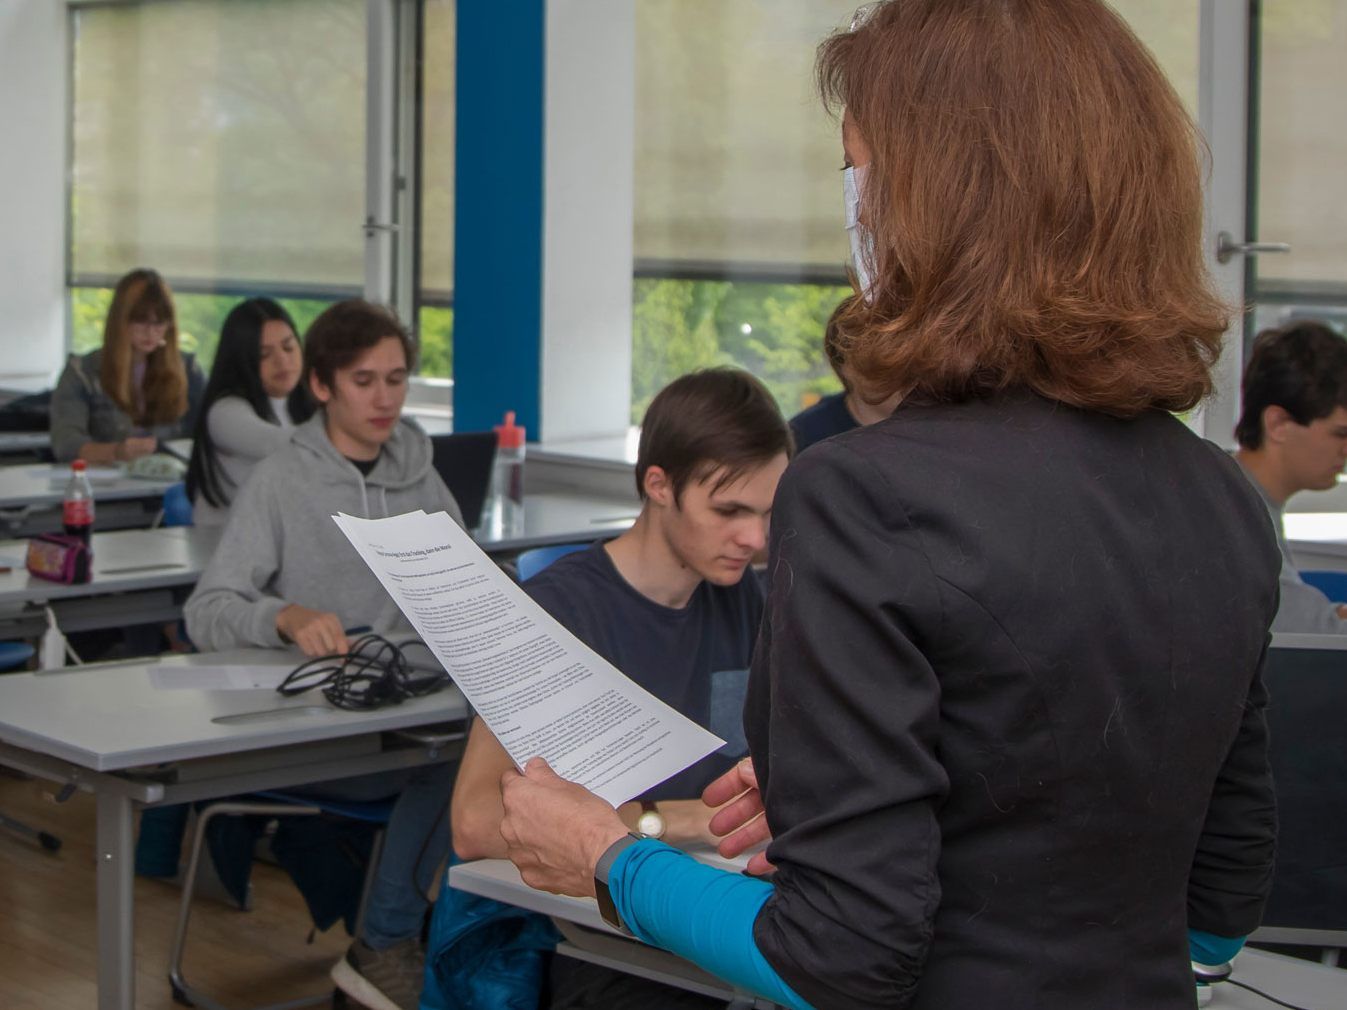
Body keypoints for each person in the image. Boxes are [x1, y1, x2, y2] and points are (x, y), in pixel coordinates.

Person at [492, 3, 1280, 1009]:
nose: (854, 207)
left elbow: (838, 959)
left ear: (938, 195)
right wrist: (867, 801)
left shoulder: (864, 494)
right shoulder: (1224, 502)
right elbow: (1216, 908)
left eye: (856, 168)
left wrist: (607, 856)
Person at [441, 368, 791, 1008]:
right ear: (657, 484)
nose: (756, 539)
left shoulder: (754, 600)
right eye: (729, 511)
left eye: (769, 514)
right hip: (605, 930)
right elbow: (475, 823)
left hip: (720, 900)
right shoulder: (554, 613)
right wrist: (677, 822)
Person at [184, 299, 462, 1010]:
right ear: (321, 387)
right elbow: (205, 611)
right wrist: (284, 615)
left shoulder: (419, 475)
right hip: (317, 729)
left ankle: (432, 938)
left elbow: (462, 583)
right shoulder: (282, 478)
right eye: (363, 380)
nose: (384, 399)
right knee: (458, 764)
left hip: (407, 706)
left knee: (493, 749)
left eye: (396, 379)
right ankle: (388, 940)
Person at [1234, 320, 1347, 633]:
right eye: (1340, 434)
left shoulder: (1249, 498)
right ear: (1278, 423)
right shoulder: (1236, 513)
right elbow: (1301, 630)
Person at [50, 268, 205, 463]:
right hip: (104, 483)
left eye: (159, 323)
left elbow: (208, 434)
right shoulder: (82, 372)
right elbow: (66, 444)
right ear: (120, 321)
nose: (150, 332)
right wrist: (116, 452)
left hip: (170, 481)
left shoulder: (188, 370)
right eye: (141, 322)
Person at [186, 297, 315, 526]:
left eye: (288, 347)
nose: (283, 361)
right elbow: (277, 443)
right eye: (264, 354)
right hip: (223, 548)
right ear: (241, 360)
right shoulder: (224, 412)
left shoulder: (308, 404)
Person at [789, 295, 901, 451]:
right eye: (876, 359)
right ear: (843, 365)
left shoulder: (934, 426)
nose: (898, 368)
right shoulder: (804, 435)